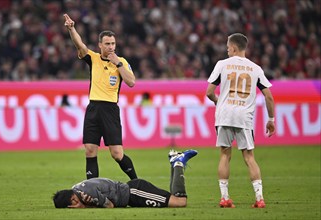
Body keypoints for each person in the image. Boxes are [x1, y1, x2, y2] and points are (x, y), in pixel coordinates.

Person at [63, 14, 138, 180]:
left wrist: (117, 63)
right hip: (93, 108)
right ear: (100, 45)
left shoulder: (122, 62)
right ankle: (91, 189)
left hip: (110, 109)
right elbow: (80, 45)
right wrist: (71, 29)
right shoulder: (94, 59)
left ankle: (137, 182)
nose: (111, 47)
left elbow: (131, 82)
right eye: (107, 44)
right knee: (89, 149)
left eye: (113, 44)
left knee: (117, 154)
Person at [206, 33, 275, 208]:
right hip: (244, 117)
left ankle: (225, 198)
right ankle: (259, 199)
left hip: (224, 115)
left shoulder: (222, 65)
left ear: (234, 48)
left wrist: (217, 101)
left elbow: (208, 92)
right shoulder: (256, 69)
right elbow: (268, 97)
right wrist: (271, 119)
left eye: (228, 47)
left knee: (225, 155)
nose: (227, 50)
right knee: (249, 157)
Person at [53, 149, 198, 208]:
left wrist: (87, 205)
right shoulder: (77, 189)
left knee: (180, 203)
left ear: (72, 200)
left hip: (135, 192)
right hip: (133, 193)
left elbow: (109, 206)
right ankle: (175, 162)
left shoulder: (87, 193)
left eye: (73, 206)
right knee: (175, 199)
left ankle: (178, 163)